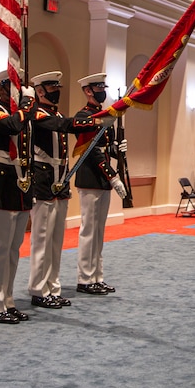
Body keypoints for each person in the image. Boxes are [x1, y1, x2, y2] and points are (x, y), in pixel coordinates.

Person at [27, 71, 99, 309]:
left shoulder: (56, 112)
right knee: (41, 239)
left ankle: (53, 287)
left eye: (58, 86)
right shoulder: (38, 112)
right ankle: (39, 288)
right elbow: (62, 126)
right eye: (51, 87)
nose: (56, 90)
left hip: (60, 178)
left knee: (56, 239)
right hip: (43, 178)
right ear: (40, 91)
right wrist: (95, 120)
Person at [0, 69, 36, 324]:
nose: (18, 92)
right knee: (0, 247)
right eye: (13, 87)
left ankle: (7, 299)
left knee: (14, 248)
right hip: (2, 179)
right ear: (2, 90)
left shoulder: (24, 116)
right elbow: (12, 125)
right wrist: (25, 105)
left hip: (21, 182)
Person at [73, 73, 129, 295]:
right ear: (88, 91)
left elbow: (106, 148)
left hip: (102, 179)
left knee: (99, 231)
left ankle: (97, 275)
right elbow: (92, 151)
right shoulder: (84, 115)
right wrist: (113, 176)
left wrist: (117, 149)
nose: (101, 90)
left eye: (102, 87)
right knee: (89, 229)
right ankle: (85, 278)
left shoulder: (105, 115)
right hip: (90, 177)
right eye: (97, 87)